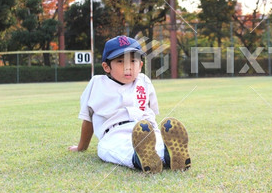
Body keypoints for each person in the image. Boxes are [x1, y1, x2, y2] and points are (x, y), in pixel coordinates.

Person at [68, 35, 191, 174]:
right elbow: (88, 119)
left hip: (145, 129)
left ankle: (171, 156)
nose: (128, 67)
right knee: (113, 148)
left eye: (133, 61)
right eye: (120, 61)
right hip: (114, 132)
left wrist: (153, 130)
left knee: (157, 144)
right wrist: (81, 147)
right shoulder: (97, 84)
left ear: (141, 66)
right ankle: (143, 159)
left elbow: (149, 110)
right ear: (106, 67)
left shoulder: (144, 81)